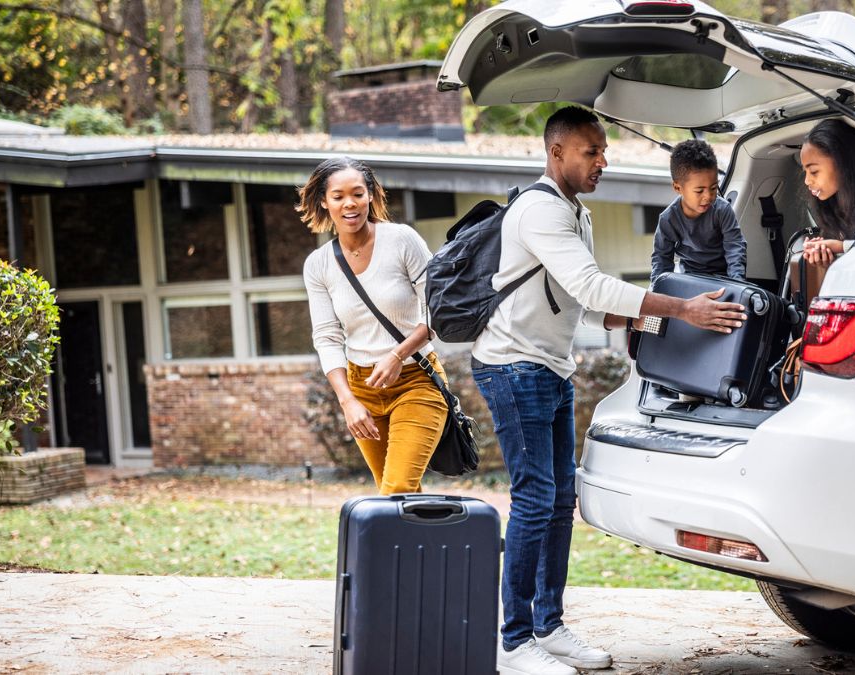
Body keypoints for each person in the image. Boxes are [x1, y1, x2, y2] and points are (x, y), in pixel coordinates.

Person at [472, 106, 748, 675]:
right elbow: (592, 283)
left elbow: (585, 304)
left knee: (558, 502)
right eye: (590, 151)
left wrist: (652, 328)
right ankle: (512, 640)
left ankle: (547, 626)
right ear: (557, 154)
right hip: (511, 366)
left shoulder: (577, 213)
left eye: (603, 150)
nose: (603, 159)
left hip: (550, 365)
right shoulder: (538, 211)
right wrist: (684, 308)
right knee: (533, 499)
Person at [299, 157, 448, 495]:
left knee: (397, 489)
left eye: (357, 193)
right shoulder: (319, 265)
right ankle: (419, 548)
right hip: (361, 388)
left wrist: (398, 355)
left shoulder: (401, 240)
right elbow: (326, 337)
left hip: (416, 379)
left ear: (370, 196)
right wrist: (347, 400)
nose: (349, 203)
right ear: (324, 202)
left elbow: (438, 310)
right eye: (338, 196)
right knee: (393, 495)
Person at [650, 139, 747, 283]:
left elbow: (735, 247)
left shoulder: (722, 210)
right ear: (678, 188)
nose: (708, 196)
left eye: (713, 188)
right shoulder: (668, 219)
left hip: (725, 277)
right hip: (691, 278)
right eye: (699, 191)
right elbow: (661, 259)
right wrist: (658, 289)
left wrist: (737, 282)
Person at [799, 118, 855, 268]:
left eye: (814, 171)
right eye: (805, 172)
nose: (807, 181)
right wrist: (827, 251)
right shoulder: (837, 198)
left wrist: (841, 247)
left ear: (841, 159)